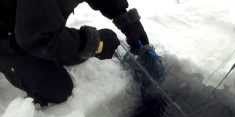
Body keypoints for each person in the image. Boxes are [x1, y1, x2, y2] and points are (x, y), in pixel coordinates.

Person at [0, 0, 149, 106]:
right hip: (8, 33)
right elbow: (38, 37)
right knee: (56, 87)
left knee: (64, 49)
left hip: (28, 20)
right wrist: (97, 44)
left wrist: (124, 17)